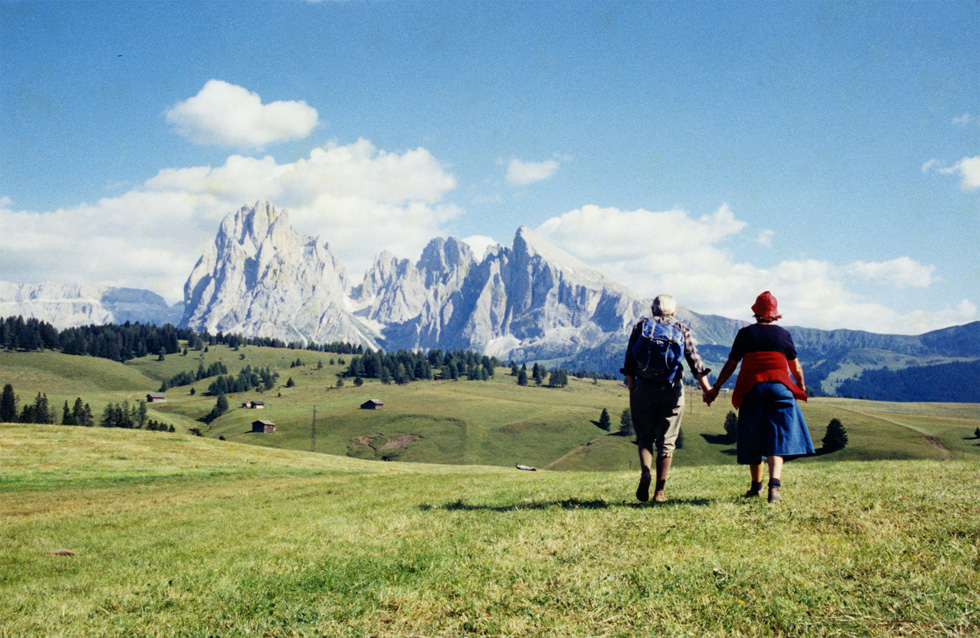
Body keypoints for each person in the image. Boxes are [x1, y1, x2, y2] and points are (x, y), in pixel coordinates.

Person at [704, 291, 814, 503]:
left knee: (754, 437)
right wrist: (800, 386)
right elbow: (796, 367)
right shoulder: (784, 335)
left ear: (755, 313)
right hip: (780, 389)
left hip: (753, 389)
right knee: (778, 437)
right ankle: (775, 486)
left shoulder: (746, 334)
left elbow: (731, 364)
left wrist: (716, 387)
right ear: (775, 314)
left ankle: (756, 487)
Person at [622, 294, 713, 503]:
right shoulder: (681, 328)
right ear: (672, 312)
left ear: (653, 310)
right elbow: (696, 363)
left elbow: (629, 362)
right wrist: (707, 390)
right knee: (667, 441)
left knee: (644, 436)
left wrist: (633, 387)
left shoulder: (640, 327)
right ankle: (660, 491)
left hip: (643, 387)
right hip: (671, 389)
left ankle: (646, 472)